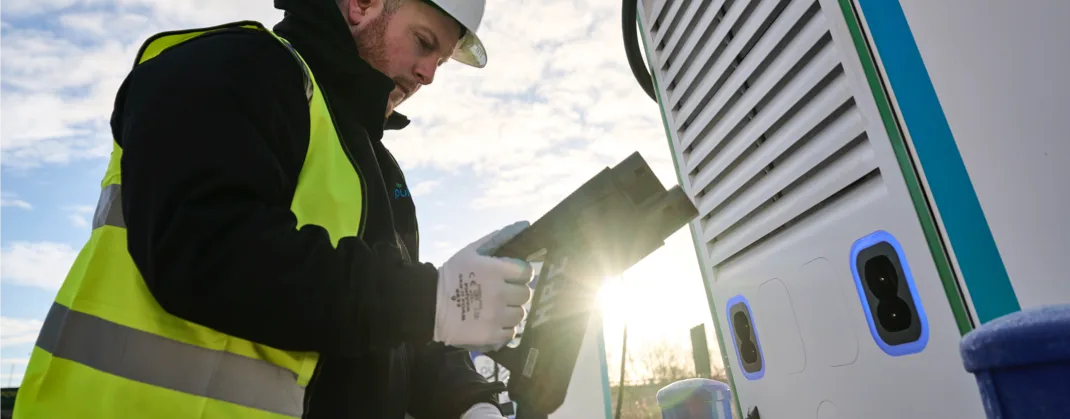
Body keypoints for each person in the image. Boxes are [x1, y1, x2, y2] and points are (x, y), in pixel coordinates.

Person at [12, 0, 535, 418]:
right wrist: (429, 300)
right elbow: (206, 250)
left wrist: (467, 400)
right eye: (425, 44)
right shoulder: (233, 68)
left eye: (440, 61)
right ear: (362, 4)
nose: (428, 75)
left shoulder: (378, 171)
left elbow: (385, 329)